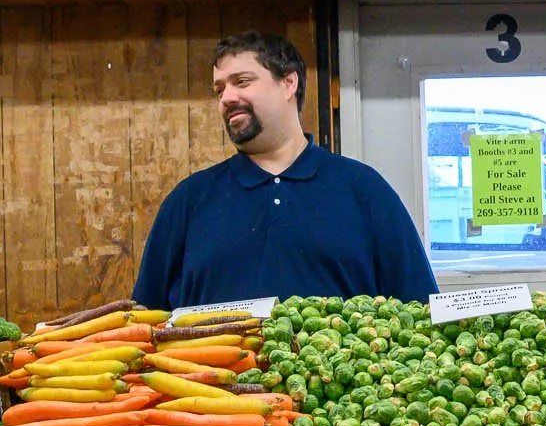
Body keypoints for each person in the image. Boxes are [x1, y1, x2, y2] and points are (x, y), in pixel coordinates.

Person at [132, 32, 437, 310]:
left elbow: (421, 312)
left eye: (242, 82)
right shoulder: (188, 201)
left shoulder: (364, 190)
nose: (226, 98)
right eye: (219, 89)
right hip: (214, 371)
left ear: (288, 83)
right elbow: (145, 324)